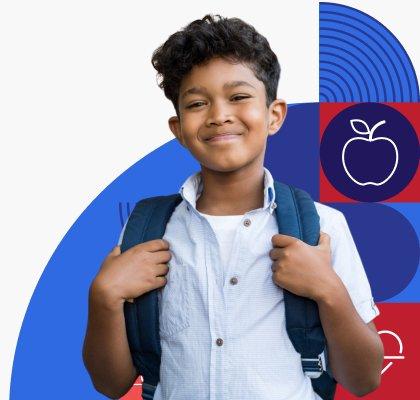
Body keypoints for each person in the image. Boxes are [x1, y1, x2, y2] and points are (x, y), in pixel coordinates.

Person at [83, 14, 384, 400]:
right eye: (197, 102)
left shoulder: (322, 227)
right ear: (178, 129)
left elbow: (364, 380)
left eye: (239, 97)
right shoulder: (147, 230)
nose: (219, 115)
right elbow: (110, 384)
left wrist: (329, 290)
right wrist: (104, 296)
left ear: (274, 115)